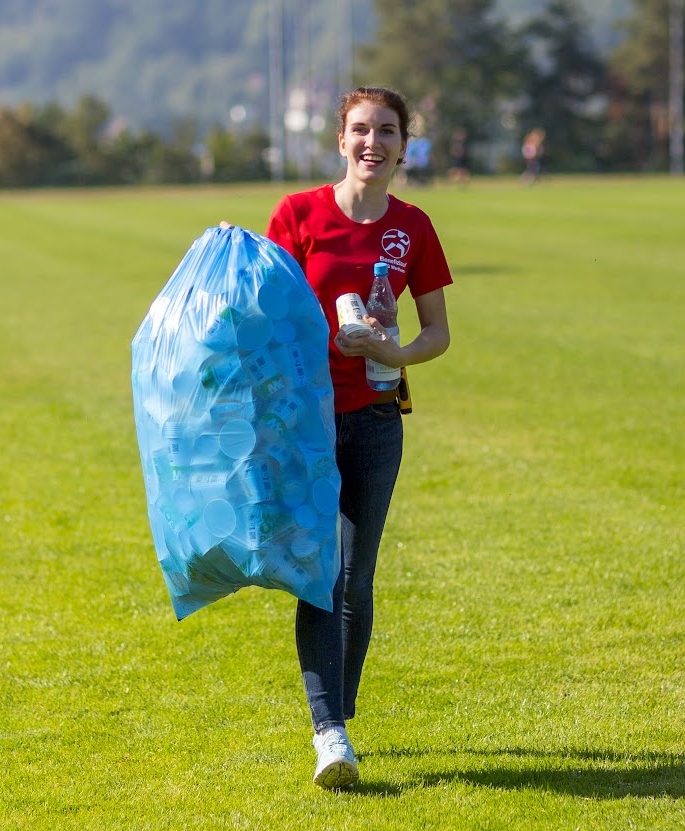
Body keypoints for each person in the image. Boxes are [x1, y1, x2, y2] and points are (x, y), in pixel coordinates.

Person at [264, 86, 453, 790]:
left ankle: (337, 712)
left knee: (358, 577)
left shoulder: (414, 227)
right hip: (308, 421)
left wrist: (393, 352)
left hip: (375, 417)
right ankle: (328, 731)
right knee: (323, 573)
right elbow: (267, 312)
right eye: (360, 130)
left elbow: (437, 331)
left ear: (405, 146)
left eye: (387, 131)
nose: (373, 142)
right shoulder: (298, 214)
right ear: (340, 141)